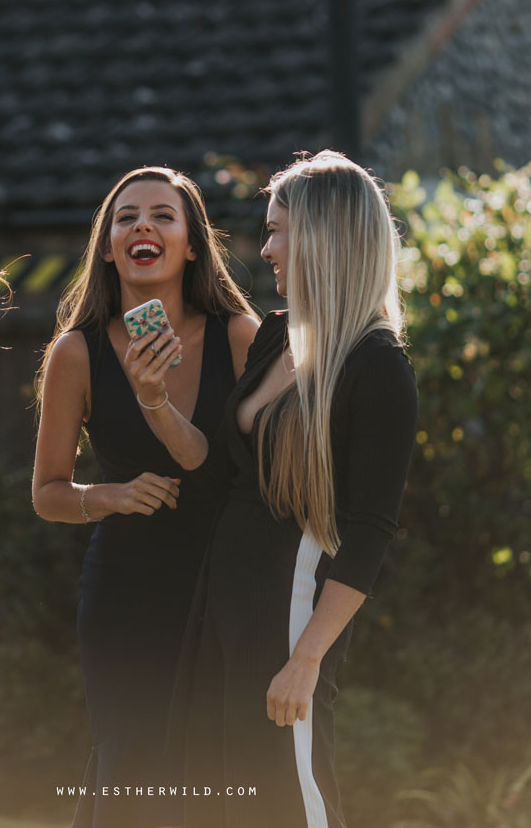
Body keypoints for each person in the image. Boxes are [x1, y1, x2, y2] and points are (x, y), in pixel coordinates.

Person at [170, 151, 418, 828]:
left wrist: (307, 656)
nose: (266, 246)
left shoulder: (378, 366)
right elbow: (222, 475)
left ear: (324, 237)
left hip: (290, 610)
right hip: (224, 596)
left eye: (278, 230)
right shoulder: (277, 335)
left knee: (286, 798)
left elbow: (370, 530)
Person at [32, 167, 259, 828]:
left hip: (219, 583)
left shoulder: (239, 338)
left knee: (210, 770)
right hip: (125, 594)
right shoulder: (75, 352)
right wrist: (111, 494)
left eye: (163, 215)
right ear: (108, 247)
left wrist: (154, 400)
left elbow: (218, 472)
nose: (143, 226)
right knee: (130, 771)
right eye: (126, 217)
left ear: (191, 244)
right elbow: (47, 492)